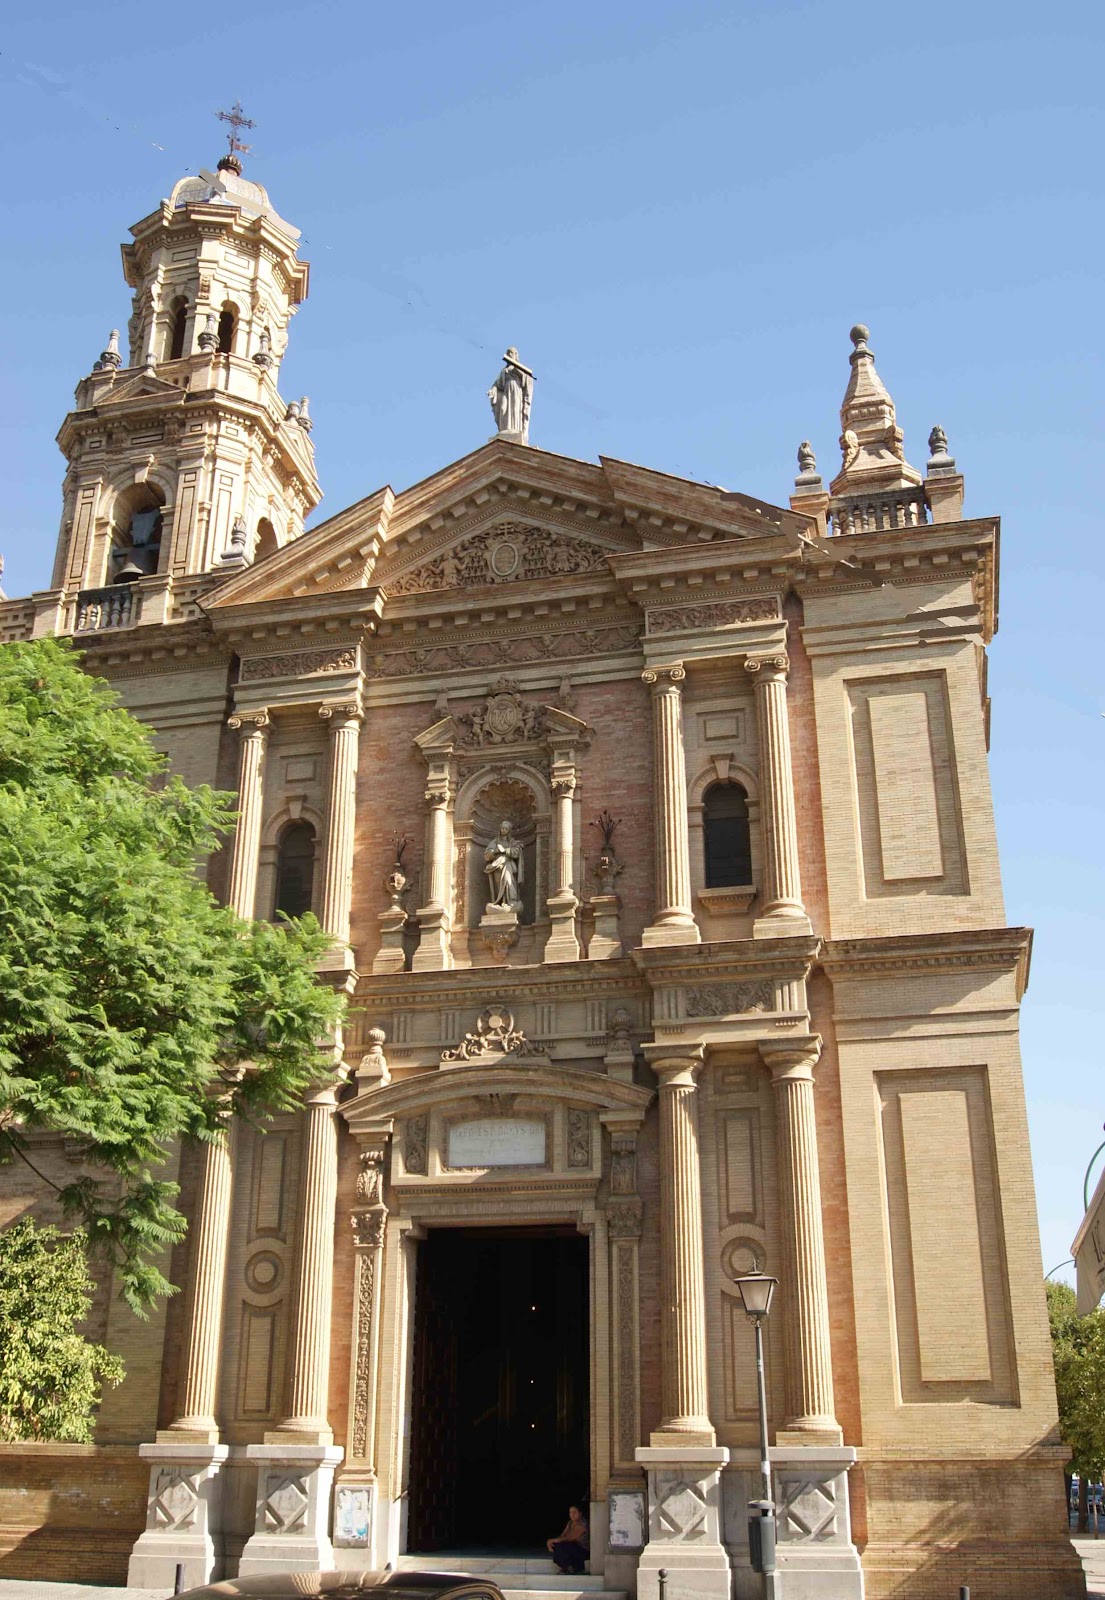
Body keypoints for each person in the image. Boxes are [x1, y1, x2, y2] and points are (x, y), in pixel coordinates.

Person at [546, 1503, 589, 1574]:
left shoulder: (582, 1524)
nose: (572, 1515)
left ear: (580, 1513)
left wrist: (551, 1540)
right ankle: (568, 1567)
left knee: (563, 1546)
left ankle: (569, 1567)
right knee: (558, 1545)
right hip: (573, 1548)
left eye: (575, 1512)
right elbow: (562, 1536)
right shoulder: (570, 1523)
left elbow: (569, 1538)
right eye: (570, 1512)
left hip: (583, 1550)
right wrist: (552, 1541)